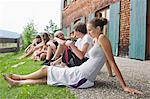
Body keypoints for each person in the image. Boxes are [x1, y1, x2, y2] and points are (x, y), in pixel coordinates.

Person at [4, 18, 143, 95]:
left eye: (90, 30)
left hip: (81, 76)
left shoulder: (102, 39)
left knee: (46, 70)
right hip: (81, 74)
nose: (88, 32)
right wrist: (110, 75)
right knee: (47, 79)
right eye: (87, 30)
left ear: (98, 29)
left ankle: (20, 77)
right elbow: (106, 59)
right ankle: (18, 82)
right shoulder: (97, 39)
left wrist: (124, 86)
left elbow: (112, 61)